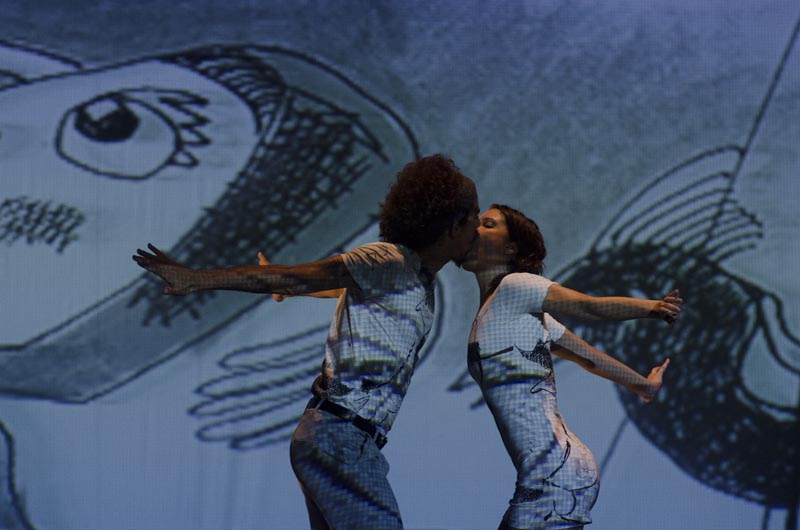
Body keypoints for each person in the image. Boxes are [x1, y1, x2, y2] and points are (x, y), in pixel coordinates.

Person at [133, 153, 481, 530]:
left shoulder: (413, 277)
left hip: (342, 441)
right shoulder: (387, 260)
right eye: (475, 216)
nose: (478, 228)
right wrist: (197, 279)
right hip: (338, 438)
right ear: (452, 225)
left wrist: (292, 290)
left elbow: (331, 287)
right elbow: (301, 276)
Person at [460, 204, 682, 530]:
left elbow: (589, 307)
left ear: (510, 248)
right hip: (557, 473)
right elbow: (588, 357)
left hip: (555, 474)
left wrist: (653, 307)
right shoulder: (509, 313)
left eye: (488, 224)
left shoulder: (516, 286)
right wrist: (644, 385)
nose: (476, 228)